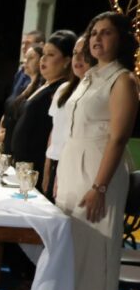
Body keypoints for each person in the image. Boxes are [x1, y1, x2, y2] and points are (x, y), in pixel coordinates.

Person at [56, 11, 140, 290]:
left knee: (95, 254)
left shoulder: (123, 80)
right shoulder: (90, 76)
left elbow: (118, 138)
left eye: (106, 33)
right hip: (73, 171)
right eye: (94, 32)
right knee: (71, 254)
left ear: (120, 39)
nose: (97, 38)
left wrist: (99, 187)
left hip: (98, 174)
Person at [10, 30, 75, 201]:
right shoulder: (44, 85)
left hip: (37, 169)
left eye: (51, 55)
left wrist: (46, 170)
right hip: (24, 166)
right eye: (43, 54)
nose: (43, 59)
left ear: (67, 61)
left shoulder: (62, 90)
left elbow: (55, 134)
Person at [46, 36, 95, 196]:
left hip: (74, 165)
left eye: (84, 53)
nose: (78, 58)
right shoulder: (63, 89)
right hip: (55, 161)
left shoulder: (94, 93)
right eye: (75, 53)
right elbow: (55, 131)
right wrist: (47, 169)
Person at [0, 43, 42, 154]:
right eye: (26, 57)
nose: (25, 61)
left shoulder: (40, 89)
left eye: (31, 58)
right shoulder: (25, 87)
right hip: (8, 143)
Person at [12, 30, 45, 98]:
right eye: (22, 43)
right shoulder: (21, 71)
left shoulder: (44, 77)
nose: (23, 47)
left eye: (28, 43)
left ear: (41, 45)